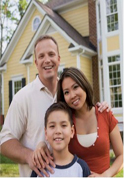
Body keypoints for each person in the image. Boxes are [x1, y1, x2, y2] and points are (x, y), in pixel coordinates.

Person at [0, 35, 110, 177]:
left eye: (51, 54)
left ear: (58, 59)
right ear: (36, 62)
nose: (47, 60)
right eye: (41, 56)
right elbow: (4, 142)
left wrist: (101, 108)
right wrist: (30, 156)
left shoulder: (68, 94)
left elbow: (85, 112)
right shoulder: (23, 98)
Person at [33, 67, 123, 177]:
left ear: (83, 84)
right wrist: (41, 144)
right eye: (66, 92)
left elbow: (121, 155)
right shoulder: (66, 122)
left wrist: (105, 175)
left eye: (75, 87)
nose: (72, 95)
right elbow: (54, 138)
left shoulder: (105, 114)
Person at [31, 102, 91, 177]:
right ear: (46, 133)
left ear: (72, 131)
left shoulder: (81, 168)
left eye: (63, 125)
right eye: (52, 126)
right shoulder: (40, 169)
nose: (58, 131)